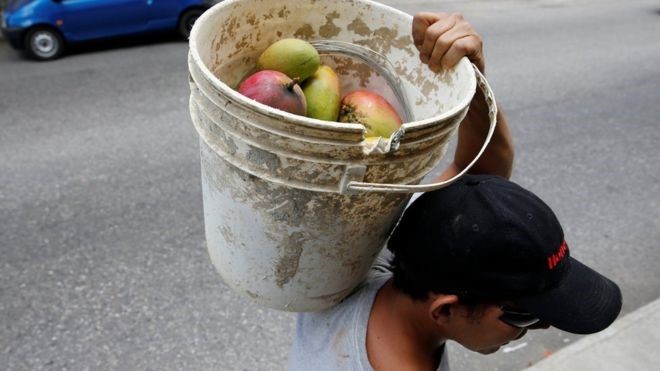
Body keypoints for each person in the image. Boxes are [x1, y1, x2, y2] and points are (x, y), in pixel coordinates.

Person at [287, 12, 622, 371]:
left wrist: (471, 78)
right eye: (523, 316)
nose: (544, 325)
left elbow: (478, 174)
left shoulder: (356, 262)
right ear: (444, 309)